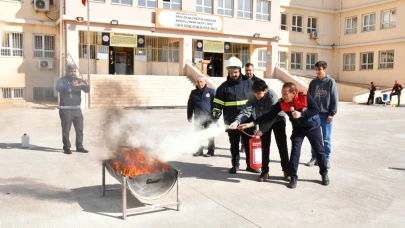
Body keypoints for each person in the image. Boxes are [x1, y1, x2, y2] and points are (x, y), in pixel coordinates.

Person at [239, 82, 329, 189]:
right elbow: (269, 115)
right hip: (298, 129)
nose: (283, 96)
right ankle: (293, 176)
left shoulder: (304, 96)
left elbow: (315, 110)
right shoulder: (282, 102)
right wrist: (251, 123)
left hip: (312, 127)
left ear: (293, 93)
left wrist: (302, 114)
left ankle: (324, 174)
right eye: (282, 93)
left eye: (286, 94)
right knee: (295, 151)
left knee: (319, 151)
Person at [230, 80, 290, 182]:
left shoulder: (272, 96)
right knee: (264, 147)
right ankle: (264, 171)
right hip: (262, 120)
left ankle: (287, 171)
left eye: (259, 93)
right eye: (255, 93)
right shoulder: (254, 95)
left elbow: (272, 116)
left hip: (277, 120)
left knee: (282, 146)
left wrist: (261, 130)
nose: (257, 96)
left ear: (265, 90)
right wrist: (237, 121)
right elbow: (246, 110)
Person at [212, 57, 260, 174]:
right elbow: (217, 103)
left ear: (240, 70)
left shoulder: (249, 84)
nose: (233, 74)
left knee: (248, 145)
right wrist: (216, 112)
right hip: (231, 121)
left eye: (236, 72)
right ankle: (235, 165)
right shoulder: (223, 87)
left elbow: (256, 100)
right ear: (228, 71)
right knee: (234, 145)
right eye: (231, 72)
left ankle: (251, 166)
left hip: (247, 121)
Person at [306, 61, 338, 169]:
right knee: (314, 138)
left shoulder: (330, 82)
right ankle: (314, 157)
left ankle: (326, 158)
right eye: (316, 69)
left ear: (324, 69)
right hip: (314, 115)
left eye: (319, 69)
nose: (317, 72)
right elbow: (308, 98)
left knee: (326, 139)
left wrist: (332, 113)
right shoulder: (313, 83)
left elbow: (334, 98)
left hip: (326, 116)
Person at [55, 64, 90, 154]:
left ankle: (79, 146)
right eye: (71, 71)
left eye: (74, 71)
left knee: (79, 130)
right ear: (67, 71)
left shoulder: (79, 80)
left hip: (77, 110)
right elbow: (58, 88)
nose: (73, 73)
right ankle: (66, 147)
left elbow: (87, 90)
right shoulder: (62, 80)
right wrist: (70, 85)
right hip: (66, 110)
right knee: (66, 130)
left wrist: (86, 85)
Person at [187, 76, 216, 157]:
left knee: (210, 134)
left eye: (201, 82)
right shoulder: (193, 93)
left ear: (205, 82)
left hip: (209, 117)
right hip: (197, 118)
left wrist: (215, 116)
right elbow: (190, 105)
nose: (200, 83)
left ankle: (210, 151)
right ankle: (199, 150)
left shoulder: (211, 91)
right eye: (198, 82)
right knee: (198, 135)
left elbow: (216, 104)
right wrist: (189, 116)